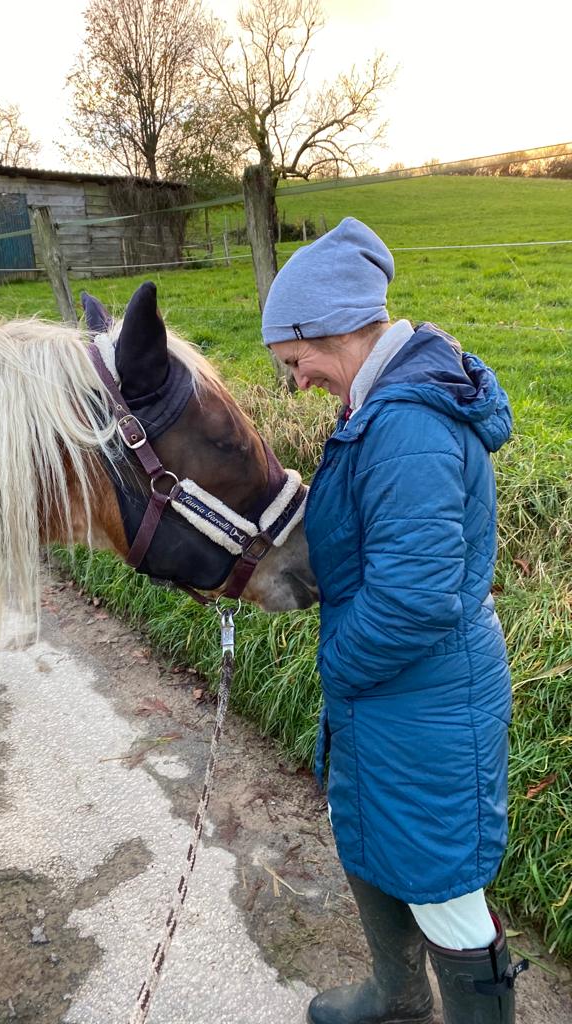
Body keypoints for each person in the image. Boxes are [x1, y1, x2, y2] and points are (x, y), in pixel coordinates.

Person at [262, 217, 526, 1023]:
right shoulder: (384, 403)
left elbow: (413, 598)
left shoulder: (407, 423)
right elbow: (382, 541)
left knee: (444, 885)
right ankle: (397, 997)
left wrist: (336, 663)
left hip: (427, 700)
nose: (295, 380)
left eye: (293, 360)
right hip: (398, 697)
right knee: (374, 838)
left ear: (328, 329)